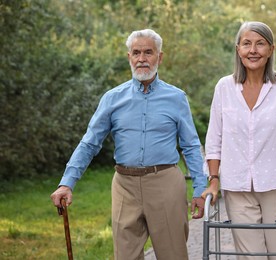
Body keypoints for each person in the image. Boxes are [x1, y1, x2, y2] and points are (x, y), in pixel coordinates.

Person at [50, 28, 207, 260]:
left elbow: (191, 145)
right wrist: (67, 183)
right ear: (129, 57)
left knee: (173, 254)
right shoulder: (112, 98)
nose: (142, 59)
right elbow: (89, 143)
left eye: (148, 52)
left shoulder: (176, 98)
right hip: (124, 186)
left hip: (165, 183)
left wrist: (200, 188)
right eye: (136, 53)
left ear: (160, 57)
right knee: (125, 256)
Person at [201, 21, 276, 259]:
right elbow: (214, 139)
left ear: (271, 50)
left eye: (260, 44)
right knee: (249, 256)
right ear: (238, 49)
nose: (253, 50)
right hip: (237, 188)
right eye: (247, 44)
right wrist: (213, 181)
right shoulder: (224, 87)